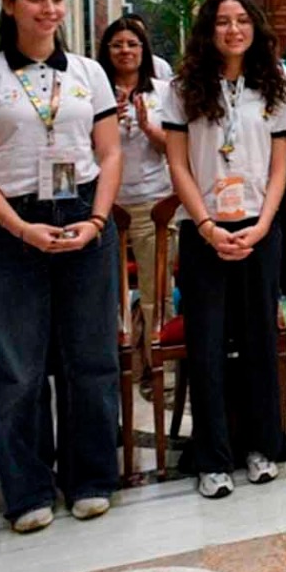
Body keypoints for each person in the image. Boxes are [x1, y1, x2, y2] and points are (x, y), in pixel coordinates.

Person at [0, 0, 122, 533]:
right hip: (10, 229)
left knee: (90, 356)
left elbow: (110, 152)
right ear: (9, 4)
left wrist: (97, 220)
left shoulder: (89, 73)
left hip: (82, 219)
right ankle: (27, 489)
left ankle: (92, 476)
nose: (48, 10)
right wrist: (19, 228)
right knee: (19, 367)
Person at [159, 0, 286, 499]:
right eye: (222, 22)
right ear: (208, 30)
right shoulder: (183, 86)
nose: (233, 30)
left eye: (242, 20)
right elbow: (178, 162)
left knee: (260, 338)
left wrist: (263, 223)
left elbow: (280, 163)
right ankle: (212, 458)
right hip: (206, 229)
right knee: (208, 344)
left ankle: (263, 446)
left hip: (260, 226)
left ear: (255, 27)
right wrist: (204, 224)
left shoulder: (275, 81)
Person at [97, 17, 175, 342]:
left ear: (144, 50)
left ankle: (156, 366)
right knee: (100, 291)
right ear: (106, 51)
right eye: (117, 45)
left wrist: (147, 127)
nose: (125, 51)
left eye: (132, 44)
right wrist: (104, 123)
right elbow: (78, 146)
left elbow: (172, 148)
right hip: (102, 203)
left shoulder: (163, 90)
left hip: (151, 199)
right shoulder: (92, 89)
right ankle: (116, 363)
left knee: (157, 290)